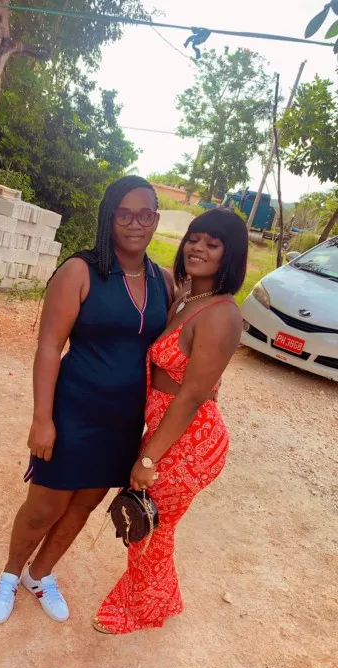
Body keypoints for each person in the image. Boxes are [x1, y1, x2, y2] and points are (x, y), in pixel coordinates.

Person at [0, 176, 174, 624]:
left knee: (85, 505)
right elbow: (49, 347)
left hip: (123, 422)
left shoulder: (164, 281)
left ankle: (40, 575)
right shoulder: (80, 271)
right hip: (73, 413)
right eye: (124, 213)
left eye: (144, 214)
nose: (134, 223)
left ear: (155, 220)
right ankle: (9, 575)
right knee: (45, 507)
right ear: (109, 217)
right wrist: (42, 419)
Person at [93, 208, 248, 635]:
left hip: (191, 440)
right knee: (155, 525)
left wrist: (149, 459)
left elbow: (194, 395)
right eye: (194, 238)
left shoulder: (222, 314)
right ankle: (164, 598)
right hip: (169, 430)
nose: (198, 248)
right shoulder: (185, 296)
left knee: (149, 527)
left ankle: (140, 612)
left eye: (212, 244)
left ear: (231, 255)